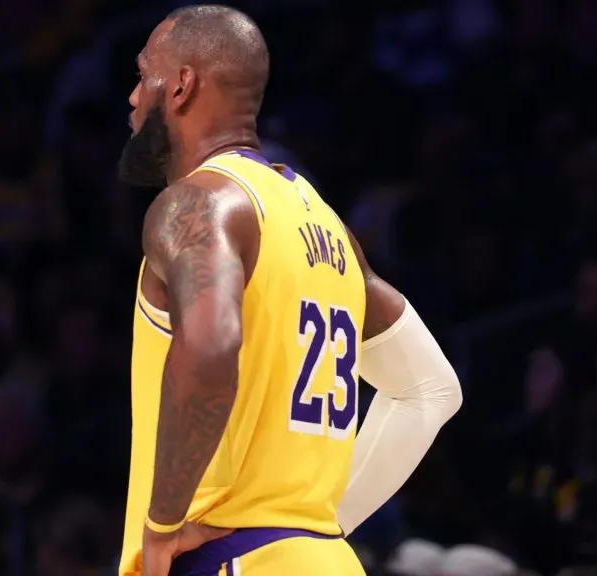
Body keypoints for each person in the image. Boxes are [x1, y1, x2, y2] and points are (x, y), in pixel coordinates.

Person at [116, 5, 463, 576]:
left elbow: (209, 348)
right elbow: (431, 389)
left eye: (142, 74)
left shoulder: (197, 204)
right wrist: (317, 527)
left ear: (180, 85)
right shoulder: (327, 226)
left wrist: (161, 528)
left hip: (226, 561)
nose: (132, 98)